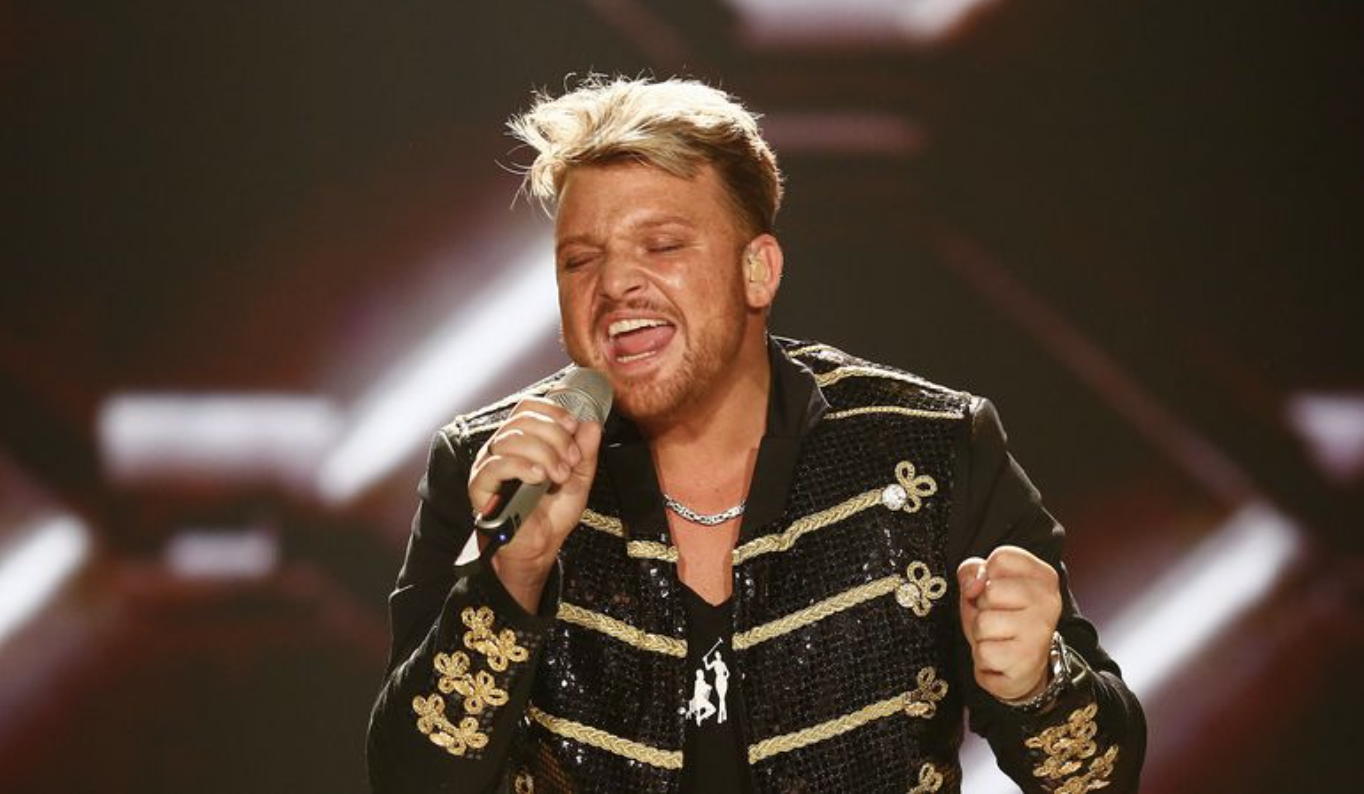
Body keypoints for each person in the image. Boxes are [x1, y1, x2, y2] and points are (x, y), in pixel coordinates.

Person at [366, 75, 1145, 794]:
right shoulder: (490, 468)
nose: (614, 284)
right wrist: (512, 578)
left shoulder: (932, 450)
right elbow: (408, 784)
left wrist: (1037, 683)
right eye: (580, 260)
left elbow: (1100, 781)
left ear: (758, 272)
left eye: (663, 245)